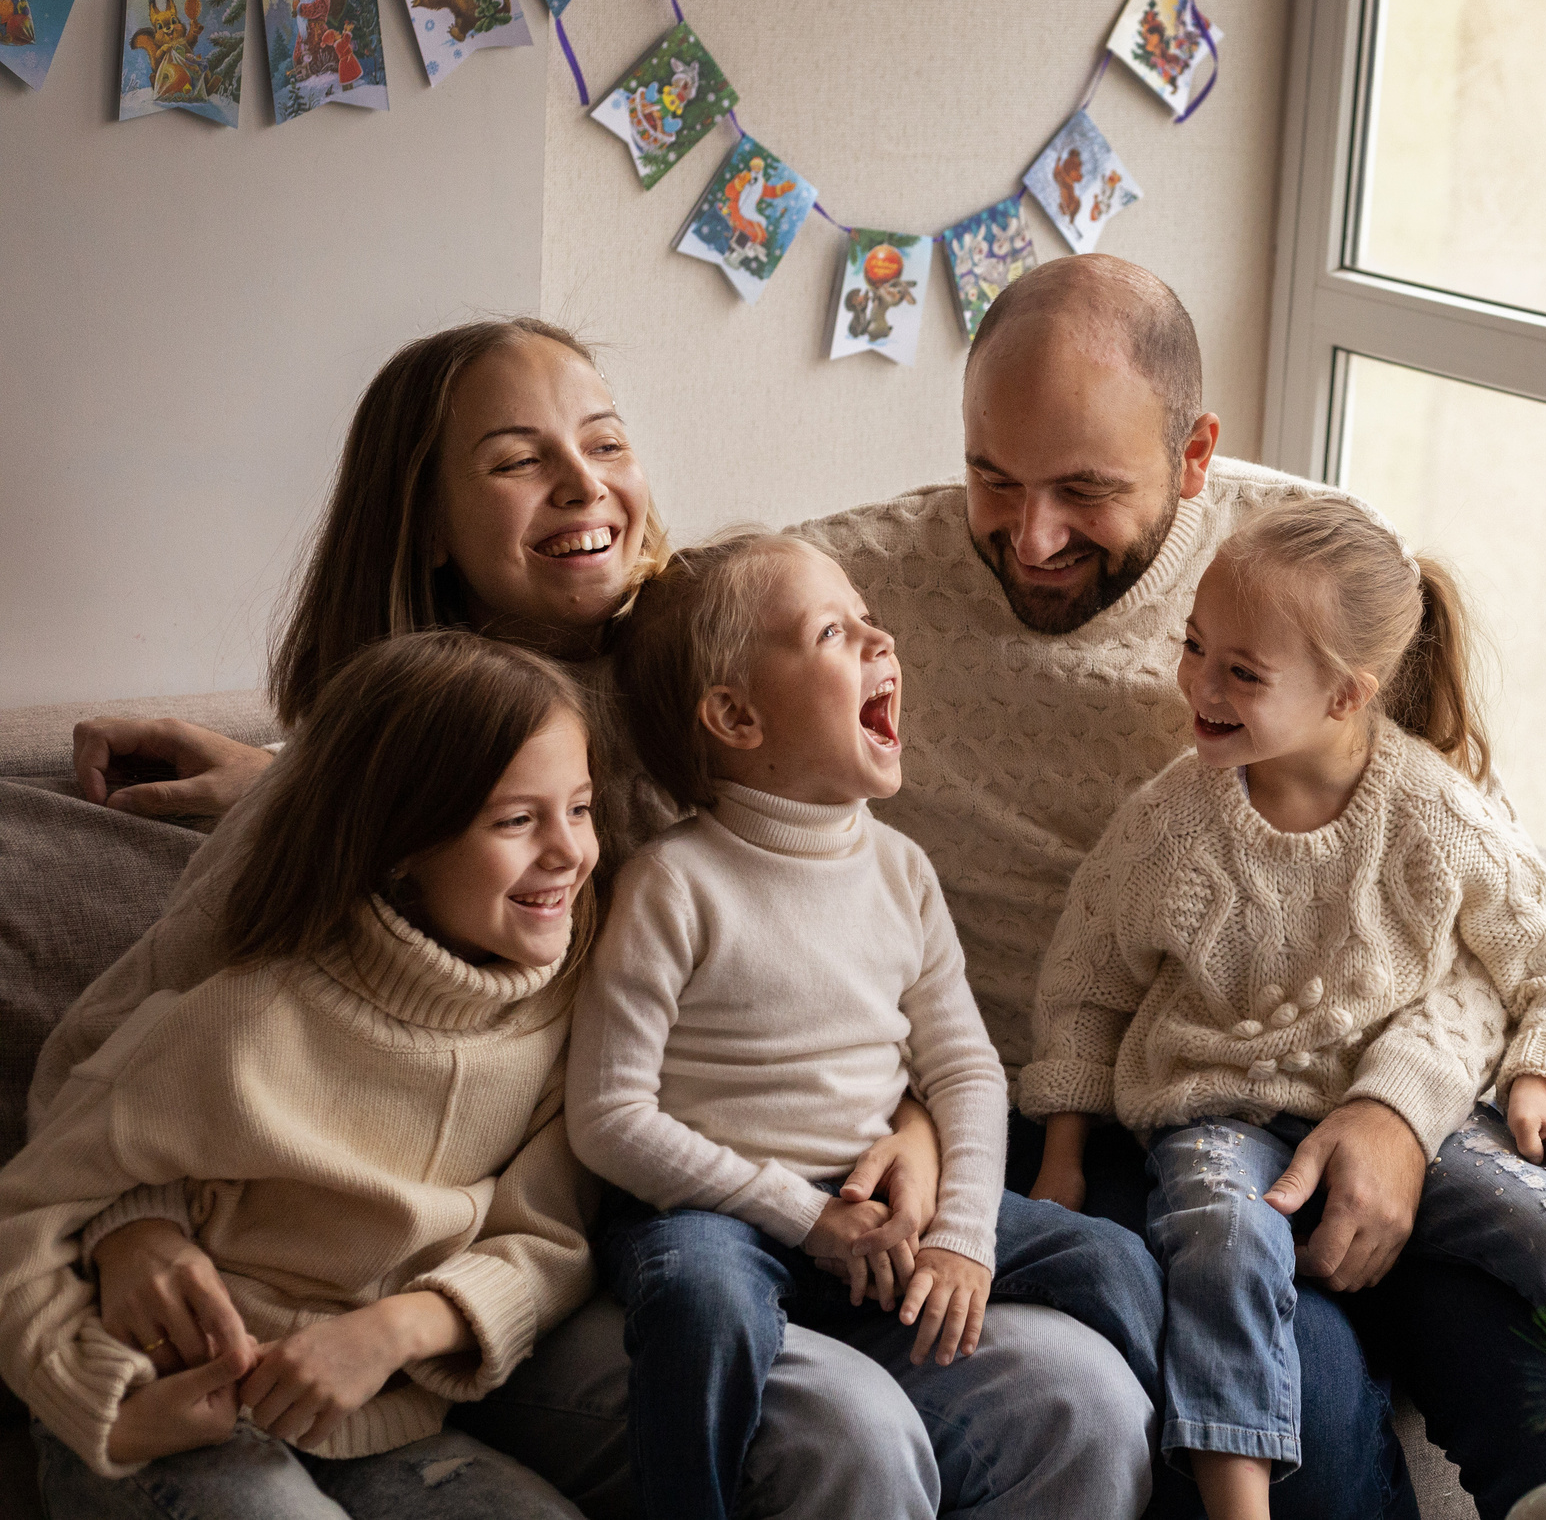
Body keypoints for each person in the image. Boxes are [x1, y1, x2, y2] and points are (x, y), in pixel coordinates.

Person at [38, 317, 1135, 1517]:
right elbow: (113, 1050)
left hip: (716, 1217)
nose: (580, 483)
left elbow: (844, 970)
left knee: (1078, 1391)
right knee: (837, 1427)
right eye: (515, 461)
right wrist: (131, 1227)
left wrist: (922, 1129)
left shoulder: (718, 704)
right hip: (556, 1258)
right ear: (422, 524)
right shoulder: (371, 767)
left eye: (604, 440)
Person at [798, 254, 1546, 1518]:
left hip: (1372, 1082)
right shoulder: (855, 595)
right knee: (1296, 1392)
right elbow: (651, 639)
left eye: (1085, 489)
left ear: (1194, 455)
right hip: (1148, 1115)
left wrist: (1402, 1113)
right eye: (994, 477)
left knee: (1544, 1380)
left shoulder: (1306, 581)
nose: (1031, 538)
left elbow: (1479, 914)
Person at [1022, 497, 1546, 1519]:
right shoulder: (1170, 824)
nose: (1199, 686)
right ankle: (1238, 1501)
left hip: (1411, 1119)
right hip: (1219, 1114)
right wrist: (1062, 1153)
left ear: (1347, 695)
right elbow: (1085, 990)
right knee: (1219, 1241)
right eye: (1195, 650)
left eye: (1241, 673)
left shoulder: (1434, 810)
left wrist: (1538, 1073)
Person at [569, 532, 1158, 1519]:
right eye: (834, 632)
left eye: (866, 617)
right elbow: (607, 1118)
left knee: (1113, 1258)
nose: (882, 637)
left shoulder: (900, 870)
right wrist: (804, 1219)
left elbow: (964, 1067)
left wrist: (962, 1236)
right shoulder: (673, 884)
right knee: (700, 1304)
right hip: (718, 1216)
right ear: (736, 715)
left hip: (881, 1201)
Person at [1, 631, 595, 1518]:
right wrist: (114, 1414)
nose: (568, 851)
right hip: (172, 1419)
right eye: (516, 820)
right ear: (401, 846)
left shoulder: (566, 1006)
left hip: (383, 1418)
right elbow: (30, 1205)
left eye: (580, 808)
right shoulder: (246, 1019)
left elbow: (550, 1239)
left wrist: (398, 1330)